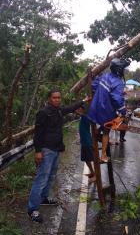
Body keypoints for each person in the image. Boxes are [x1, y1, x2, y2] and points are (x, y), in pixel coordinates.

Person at [27, 89, 88, 223]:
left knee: (51, 176)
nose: (57, 100)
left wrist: (83, 101)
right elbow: (38, 133)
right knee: (41, 179)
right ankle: (32, 209)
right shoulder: (43, 113)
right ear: (49, 99)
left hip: (55, 149)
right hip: (46, 150)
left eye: (59, 98)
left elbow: (71, 107)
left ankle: (43, 198)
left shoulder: (59, 110)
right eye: (54, 98)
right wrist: (38, 151)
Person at [88, 58, 130, 162]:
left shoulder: (104, 76)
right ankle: (103, 156)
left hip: (94, 108)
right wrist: (123, 111)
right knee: (107, 130)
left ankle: (98, 133)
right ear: (119, 69)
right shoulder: (118, 82)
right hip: (105, 111)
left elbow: (93, 86)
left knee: (105, 125)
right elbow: (116, 99)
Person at [75, 105, 96, 183]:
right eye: (78, 109)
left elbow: (84, 115)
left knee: (93, 159)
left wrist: (79, 112)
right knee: (86, 159)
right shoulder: (82, 118)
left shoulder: (86, 117)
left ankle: (96, 176)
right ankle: (92, 172)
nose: (78, 110)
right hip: (84, 142)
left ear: (83, 110)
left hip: (87, 142)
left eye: (80, 109)